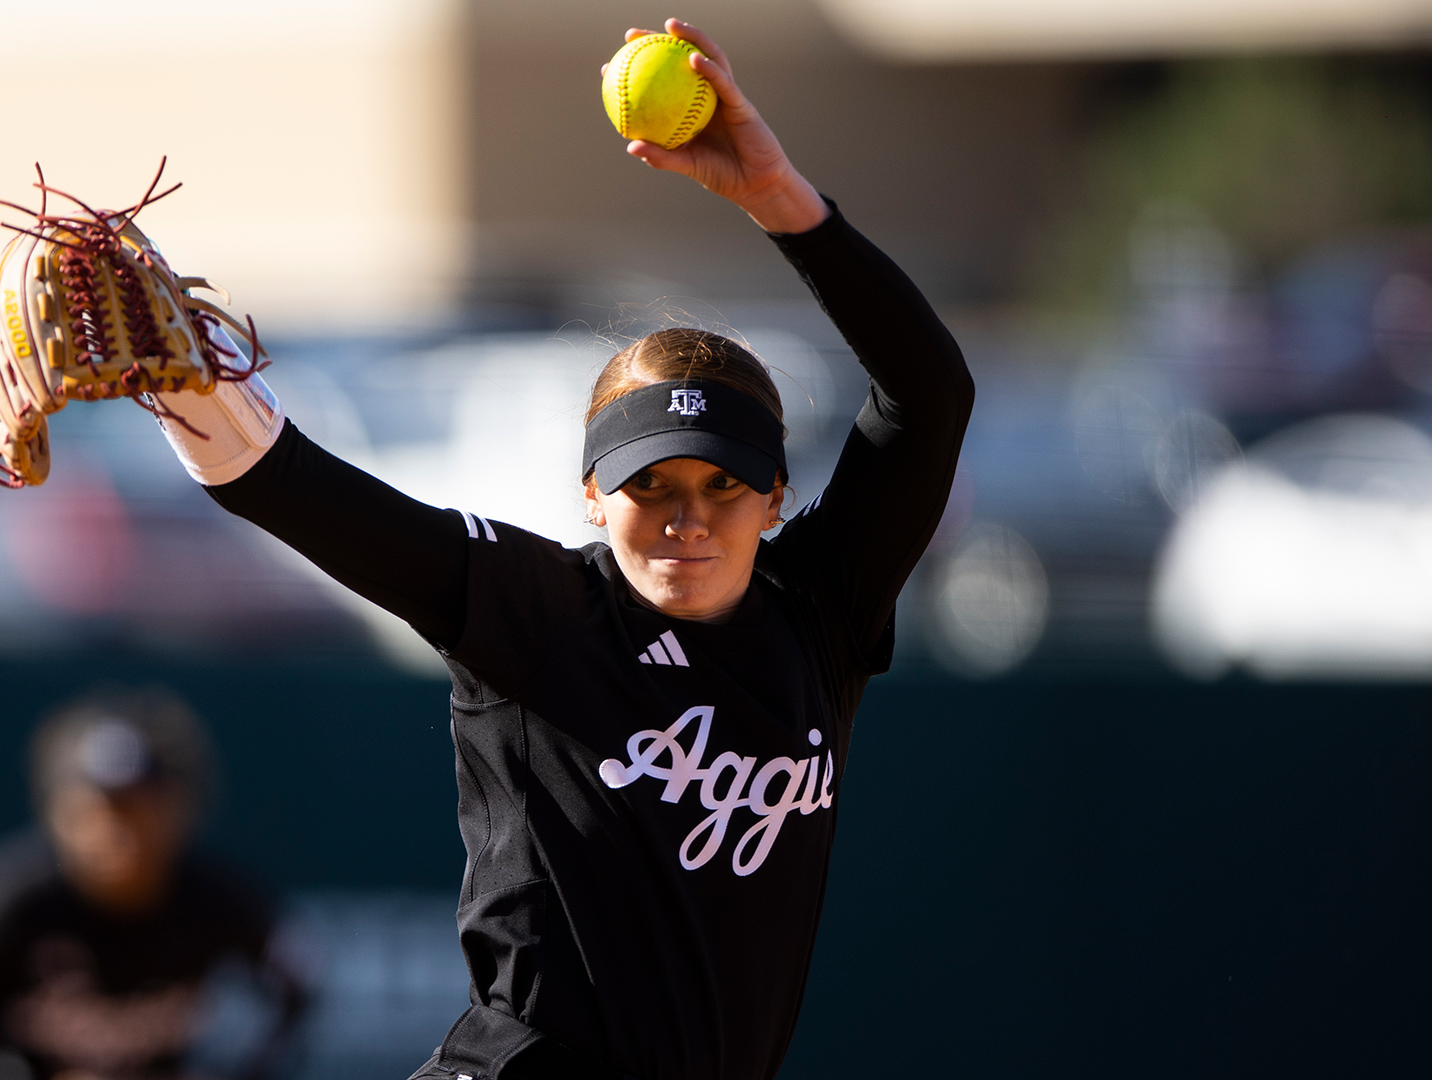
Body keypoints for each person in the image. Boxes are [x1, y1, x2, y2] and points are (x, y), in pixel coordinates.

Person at [146, 18, 972, 1080]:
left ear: (778, 497)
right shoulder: (542, 614)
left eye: (725, 484)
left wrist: (777, 196)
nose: (689, 516)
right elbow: (304, 493)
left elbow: (931, 394)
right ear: (591, 495)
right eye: (652, 485)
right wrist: (180, 392)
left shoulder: (820, 610)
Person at [0, 687, 309, 1080]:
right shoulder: (5, 897)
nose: (116, 831)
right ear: (59, 813)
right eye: (98, 810)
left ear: (178, 810)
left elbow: (297, 992)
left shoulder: (223, 902)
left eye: (137, 808)